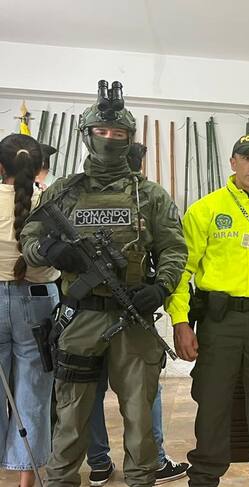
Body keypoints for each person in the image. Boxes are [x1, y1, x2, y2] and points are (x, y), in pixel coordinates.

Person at [20, 84, 187, 487]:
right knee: (70, 416)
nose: (110, 139)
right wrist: (51, 250)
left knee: (140, 419)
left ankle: (141, 479)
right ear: (87, 135)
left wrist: (161, 288)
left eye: (118, 134)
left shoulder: (150, 195)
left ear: (129, 139)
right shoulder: (64, 191)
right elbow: (29, 240)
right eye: (102, 132)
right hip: (80, 317)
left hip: (133, 318)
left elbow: (174, 249)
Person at [167, 133, 249, 486]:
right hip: (219, 322)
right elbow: (181, 270)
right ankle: (204, 478)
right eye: (246, 158)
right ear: (233, 162)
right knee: (212, 403)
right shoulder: (205, 210)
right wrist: (180, 321)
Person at [85, 142, 189, 487]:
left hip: (103, 310)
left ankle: (99, 462)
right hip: (120, 310)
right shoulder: (147, 198)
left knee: (92, 388)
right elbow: (171, 250)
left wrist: (159, 289)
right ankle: (152, 461)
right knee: (143, 391)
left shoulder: (84, 194)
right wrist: (160, 287)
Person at [0, 134, 59, 487]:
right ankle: (28, 480)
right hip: (38, 301)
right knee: (35, 393)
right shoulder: (51, 206)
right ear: (40, 167)